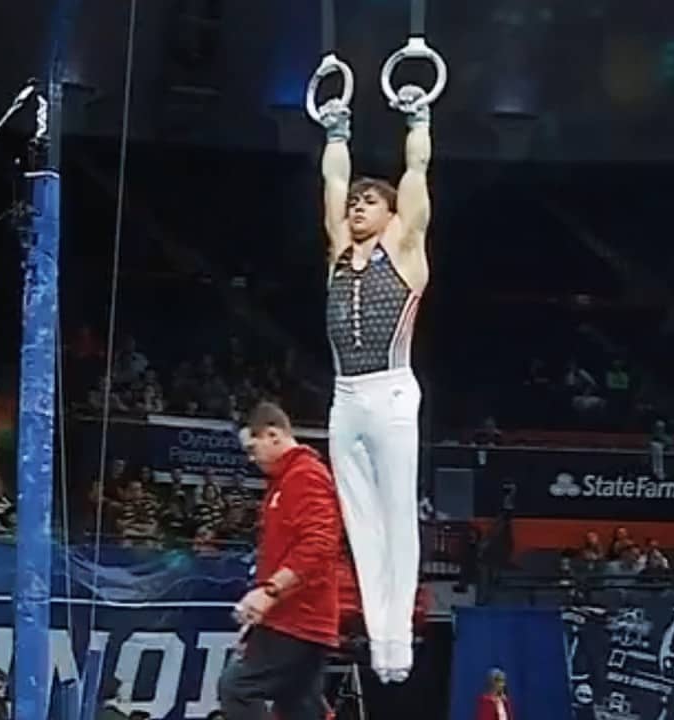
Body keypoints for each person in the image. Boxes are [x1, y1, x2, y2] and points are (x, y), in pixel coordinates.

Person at [316, 66, 433, 685]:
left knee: (395, 517)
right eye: (356, 203)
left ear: (391, 215)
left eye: (370, 202)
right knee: (360, 522)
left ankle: (399, 644)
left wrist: (418, 123)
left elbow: (416, 175)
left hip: (390, 392)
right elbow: (333, 178)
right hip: (345, 399)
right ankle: (377, 633)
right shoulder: (338, 249)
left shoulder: (406, 249)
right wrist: (337, 130)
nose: (358, 208)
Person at [218, 402, 343, 720]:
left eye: (252, 447)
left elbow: (319, 545)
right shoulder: (287, 480)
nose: (251, 458)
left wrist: (270, 590)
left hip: (298, 619)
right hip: (297, 618)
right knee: (298, 705)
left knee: (238, 688)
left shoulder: (305, 477)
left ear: (273, 434)